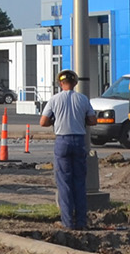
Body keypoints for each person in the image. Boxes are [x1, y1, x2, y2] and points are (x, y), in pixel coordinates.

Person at [39, 68, 97, 230]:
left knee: (64, 184)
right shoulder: (83, 99)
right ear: (75, 83)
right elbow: (93, 121)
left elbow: (43, 122)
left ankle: (67, 222)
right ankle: (81, 222)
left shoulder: (54, 100)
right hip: (79, 141)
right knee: (79, 182)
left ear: (60, 83)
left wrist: (54, 120)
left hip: (62, 141)